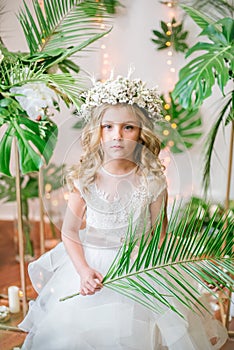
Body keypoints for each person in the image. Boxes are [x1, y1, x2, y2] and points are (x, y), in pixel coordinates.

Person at [19, 74, 227, 349]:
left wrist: (192, 270)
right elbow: (69, 231)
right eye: (108, 127)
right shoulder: (85, 178)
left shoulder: (153, 181)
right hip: (93, 268)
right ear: (98, 131)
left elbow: (160, 237)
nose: (117, 135)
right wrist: (82, 271)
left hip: (139, 269)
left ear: (142, 132)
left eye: (128, 127)